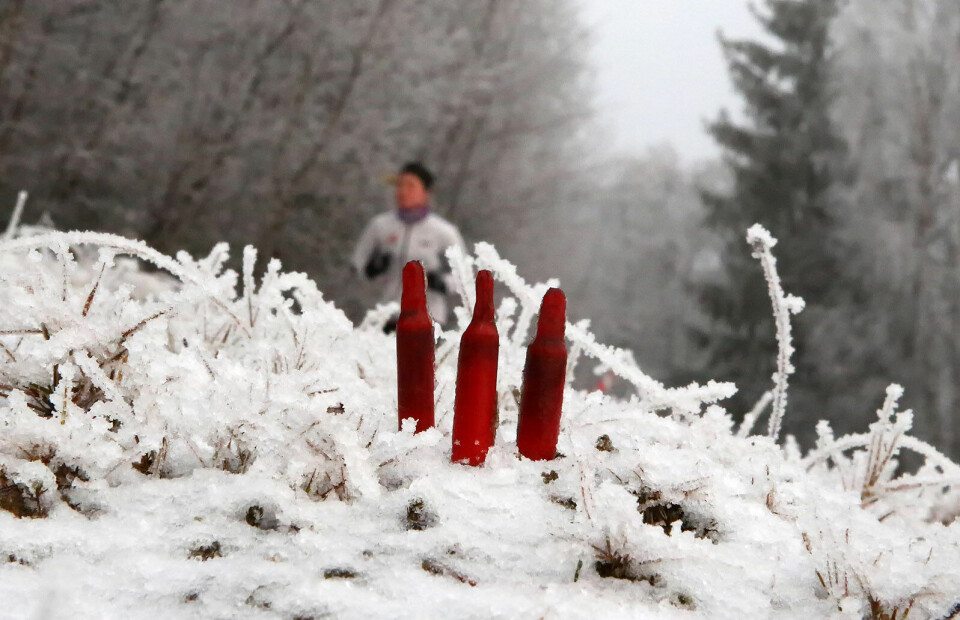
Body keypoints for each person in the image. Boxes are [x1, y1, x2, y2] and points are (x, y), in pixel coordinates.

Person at [352, 161, 466, 330]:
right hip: (386, 315)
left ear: (426, 193)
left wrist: (442, 283)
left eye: (410, 186)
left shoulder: (444, 232)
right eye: (399, 185)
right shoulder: (380, 225)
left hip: (428, 317)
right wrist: (371, 268)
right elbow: (357, 263)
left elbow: (464, 276)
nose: (403, 191)